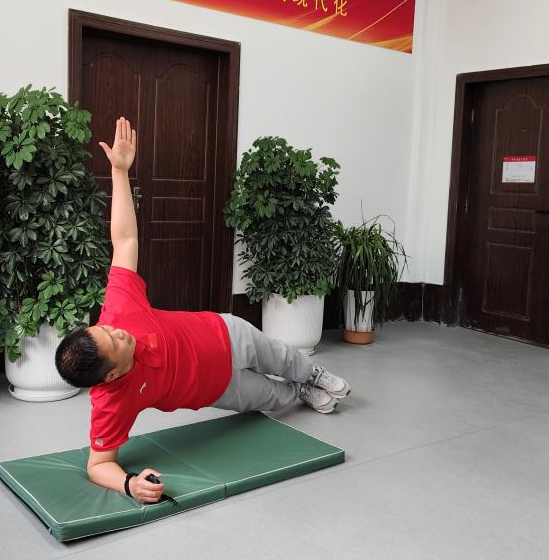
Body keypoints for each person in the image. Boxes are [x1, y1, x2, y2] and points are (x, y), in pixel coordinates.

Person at [55, 117, 352, 505]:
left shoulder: (119, 310)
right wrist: (129, 484)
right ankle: (301, 391)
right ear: (110, 375)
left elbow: (124, 238)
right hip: (220, 388)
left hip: (226, 334)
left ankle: (311, 374)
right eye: (115, 341)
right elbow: (98, 465)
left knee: (283, 357)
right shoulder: (111, 401)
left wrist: (120, 172)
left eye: (105, 329)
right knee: (275, 399)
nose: (117, 331)